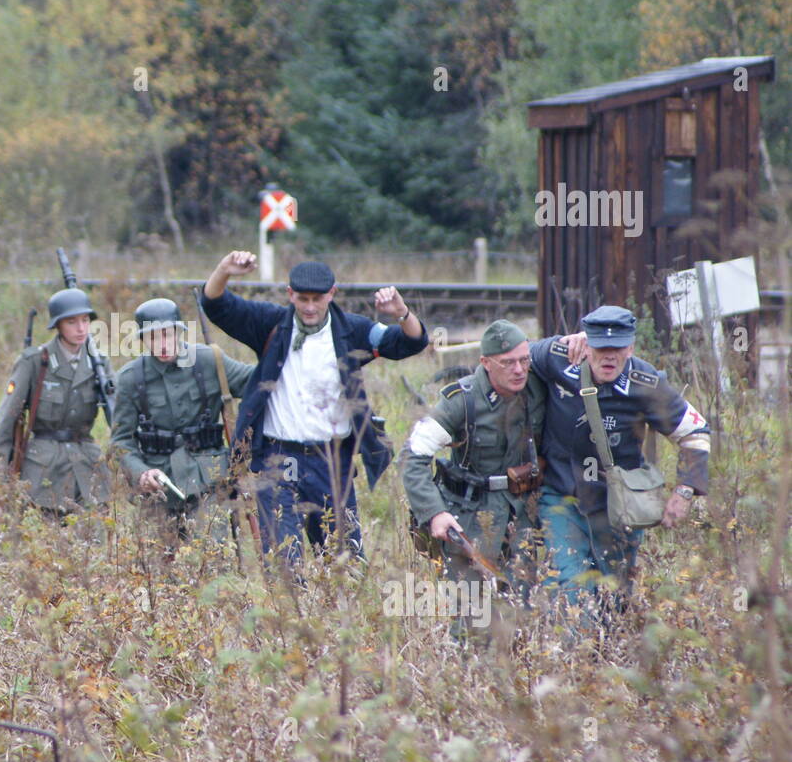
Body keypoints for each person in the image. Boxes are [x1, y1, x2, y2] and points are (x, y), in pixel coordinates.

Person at [199, 251, 429, 571]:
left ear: (332, 294)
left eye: (317, 299)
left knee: (343, 562)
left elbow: (409, 343)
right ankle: (288, 615)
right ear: (290, 295)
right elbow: (215, 305)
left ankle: (339, 618)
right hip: (278, 458)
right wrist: (224, 269)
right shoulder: (269, 324)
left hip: (331, 460)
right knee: (283, 563)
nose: (309, 307)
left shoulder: (352, 330)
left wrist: (402, 313)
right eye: (302, 298)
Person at [527, 306, 710, 629]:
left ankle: (607, 664)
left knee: (614, 595)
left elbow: (695, 434)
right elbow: (514, 357)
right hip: (562, 498)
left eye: (618, 349)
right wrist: (563, 340)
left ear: (631, 348)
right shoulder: (560, 358)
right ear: (587, 344)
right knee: (572, 585)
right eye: (601, 348)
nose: (608, 357)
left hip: (618, 507)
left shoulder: (647, 384)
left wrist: (684, 491)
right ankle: (576, 664)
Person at [400, 319, 545, 639]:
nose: (519, 370)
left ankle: (517, 676)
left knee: (523, 607)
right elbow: (412, 456)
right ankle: (467, 677)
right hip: (470, 516)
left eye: (524, 361)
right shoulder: (460, 400)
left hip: (523, 513)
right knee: (470, 615)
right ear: (486, 363)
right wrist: (435, 513)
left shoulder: (536, 388)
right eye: (508, 363)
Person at [109, 298, 255, 546]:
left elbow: (258, 381)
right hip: (159, 485)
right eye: (153, 337)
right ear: (144, 340)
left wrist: (277, 348)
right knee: (159, 567)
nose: (163, 344)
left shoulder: (210, 361)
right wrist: (141, 472)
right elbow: (120, 443)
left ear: (179, 332)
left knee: (212, 554)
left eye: (167, 335)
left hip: (208, 479)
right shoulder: (130, 378)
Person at [0, 288, 114, 513]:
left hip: (87, 466)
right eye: (72, 322)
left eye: (85, 320)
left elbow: (120, 416)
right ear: (58, 325)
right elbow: (4, 423)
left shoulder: (99, 364)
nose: (81, 328)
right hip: (42, 471)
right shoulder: (35, 362)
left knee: (95, 539)